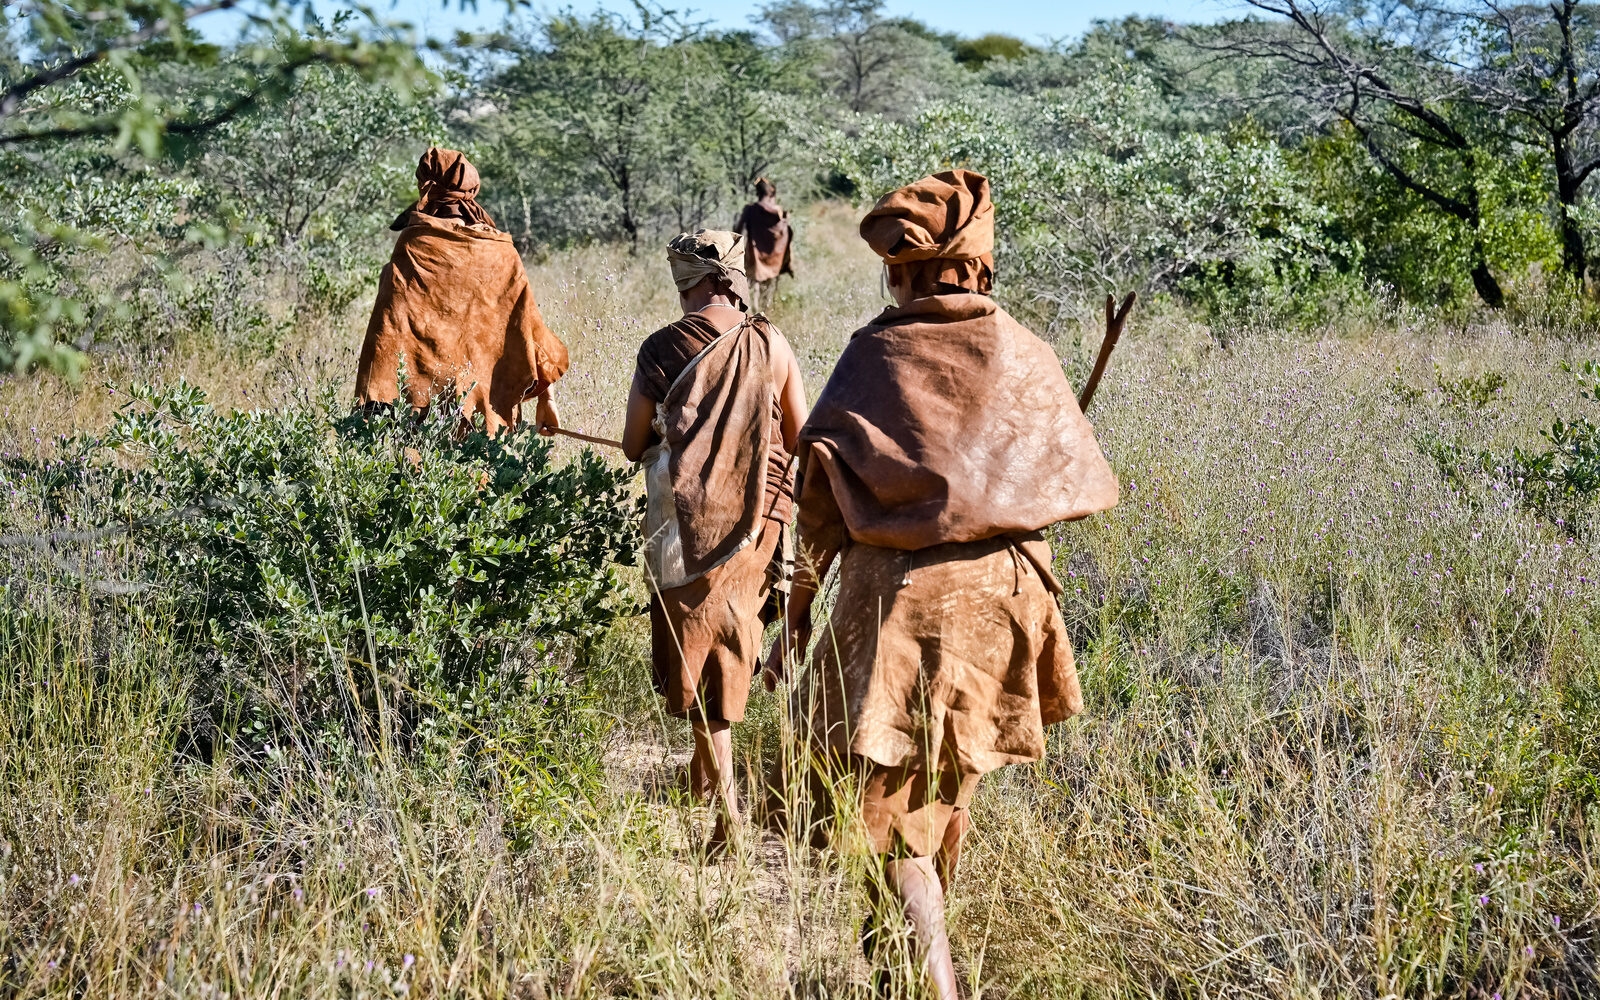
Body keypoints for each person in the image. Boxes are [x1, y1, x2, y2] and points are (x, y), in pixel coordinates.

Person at [763, 170, 1120, 998]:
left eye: (896, 267)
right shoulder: (1024, 350)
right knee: (939, 798)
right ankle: (899, 968)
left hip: (899, 611)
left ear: (908, 268)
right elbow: (1062, 479)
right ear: (980, 266)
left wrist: (795, 618)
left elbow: (818, 506)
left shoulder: (875, 356)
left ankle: (930, 982)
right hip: (1006, 599)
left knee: (890, 829)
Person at [622, 229, 808, 847]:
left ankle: (727, 810)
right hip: (764, 514)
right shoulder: (771, 342)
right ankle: (704, 779)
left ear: (691, 282)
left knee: (700, 647)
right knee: (732, 635)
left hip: (686, 519)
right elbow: (800, 437)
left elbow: (632, 444)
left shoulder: (661, 348)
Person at [356, 147, 568, 436]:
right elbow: (529, 330)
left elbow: (387, 331)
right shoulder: (502, 251)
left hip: (421, 412)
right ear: (472, 189)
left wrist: (372, 412)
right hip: (488, 410)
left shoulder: (414, 244)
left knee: (422, 466)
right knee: (486, 463)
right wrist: (547, 399)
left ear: (425, 185)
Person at [732, 178, 794, 313]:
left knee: (753, 285)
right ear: (771, 193)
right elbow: (784, 232)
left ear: (757, 193)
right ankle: (765, 313)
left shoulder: (750, 210)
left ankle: (753, 313)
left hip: (753, 255)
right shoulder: (778, 211)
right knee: (769, 285)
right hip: (774, 258)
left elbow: (737, 231)